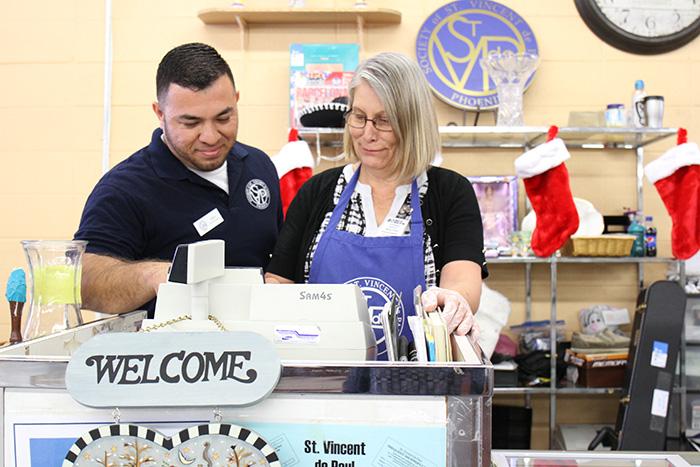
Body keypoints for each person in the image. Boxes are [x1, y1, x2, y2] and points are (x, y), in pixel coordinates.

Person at [265, 52, 487, 359]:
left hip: (418, 387)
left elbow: (462, 283)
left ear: (413, 124)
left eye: (383, 121)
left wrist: (454, 301)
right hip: (325, 383)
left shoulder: (449, 192)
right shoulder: (318, 192)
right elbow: (279, 280)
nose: (367, 134)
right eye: (359, 117)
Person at [74, 43, 283, 315]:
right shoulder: (124, 189)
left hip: (259, 346)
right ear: (159, 113)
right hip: (170, 351)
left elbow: (275, 253)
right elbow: (85, 283)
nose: (210, 136)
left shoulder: (258, 165)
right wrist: (152, 276)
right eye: (191, 123)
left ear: (236, 101)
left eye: (223, 117)